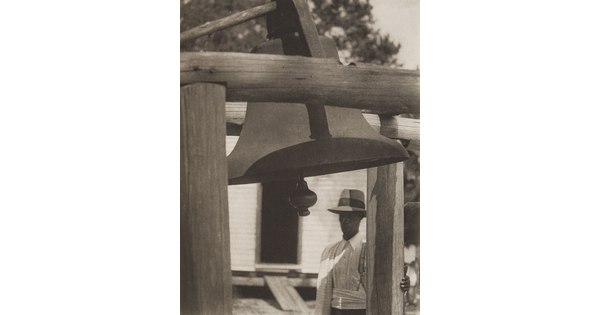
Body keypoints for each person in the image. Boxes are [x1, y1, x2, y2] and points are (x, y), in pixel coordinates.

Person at [314, 189, 410, 315]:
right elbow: (323, 294)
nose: (345, 220)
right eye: (342, 216)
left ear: (360, 218)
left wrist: (403, 283)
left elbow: (387, 282)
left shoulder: (371, 249)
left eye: (350, 216)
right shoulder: (330, 252)